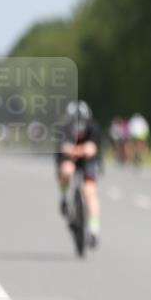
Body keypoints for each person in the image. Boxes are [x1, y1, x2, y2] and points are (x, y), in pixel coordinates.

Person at [55, 100, 102, 246]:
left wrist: (76, 150)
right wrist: (79, 150)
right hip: (69, 158)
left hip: (87, 160)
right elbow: (63, 148)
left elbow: (92, 149)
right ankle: (64, 197)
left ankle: (94, 230)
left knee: (90, 192)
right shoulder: (62, 128)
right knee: (67, 170)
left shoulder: (93, 126)